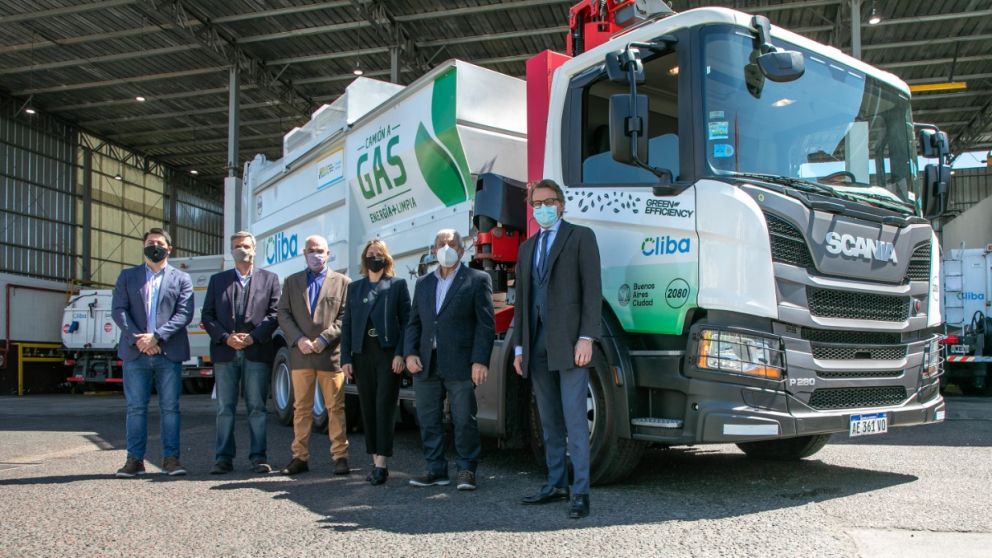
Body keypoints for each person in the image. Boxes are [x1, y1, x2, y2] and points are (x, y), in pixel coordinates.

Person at [511, 179, 602, 519]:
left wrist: (587, 337)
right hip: (535, 345)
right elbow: (522, 301)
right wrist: (519, 347)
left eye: (549, 201)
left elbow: (592, 291)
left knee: (575, 419)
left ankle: (580, 493)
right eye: (537, 203)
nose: (542, 208)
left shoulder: (580, 238)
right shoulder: (526, 248)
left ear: (561, 204)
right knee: (548, 420)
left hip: (569, 343)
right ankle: (555, 483)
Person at [405, 229, 495, 491]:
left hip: (461, 362)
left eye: (452, 243)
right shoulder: (423, 284)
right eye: (441, 244)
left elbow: (485, 324)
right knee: (428, 418)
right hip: (426, 363)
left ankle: (466, 469)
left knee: (464, 418)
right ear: (433, 250)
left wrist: (480, 360)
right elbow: (414, 323)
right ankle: (436, 469)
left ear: (461, 248)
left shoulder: (477, 279)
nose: (447, 247)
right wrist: (410, 353)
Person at [111, 227, 194, 478]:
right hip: (136, 352)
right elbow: (119, 310)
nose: (153, 246)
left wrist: (157, 337)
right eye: (149, 242)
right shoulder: (128, 276)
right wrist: (140, 339)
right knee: (136, 408)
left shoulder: (181, 279)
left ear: (169, 248)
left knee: (170, 408)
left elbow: (184, 314)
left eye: (159, 242)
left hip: (168, 352)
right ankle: (134, 460)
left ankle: (171, 459)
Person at [201, 231, 282, 475]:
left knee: (256, 407)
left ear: (255, 249)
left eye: (246, 245)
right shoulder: (218, 281)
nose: (241, 249)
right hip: (226, 352)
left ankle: (258, 457)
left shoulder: (270, 279)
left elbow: (275, 313)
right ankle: (223, 458)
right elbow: (208, 315)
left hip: (256, 350)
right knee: (225, 407)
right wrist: (227, 338)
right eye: (236, 246)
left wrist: (252, 337)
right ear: (231, 250)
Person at [277, 235, 351, 476]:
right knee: (301, 409)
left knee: (335, 408)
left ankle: (340, 456)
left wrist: (323, 339)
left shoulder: (342, 282)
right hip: (301, 355)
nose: (315, 254)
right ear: (304, 253)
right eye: (310, 250)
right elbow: (284, 314)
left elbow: (345, 316)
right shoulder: (292, 282)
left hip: (330, 356)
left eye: (319, 250)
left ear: (328, 253)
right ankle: (299, 456)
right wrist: (299, 340)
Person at [341, 239, 411, 485]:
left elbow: (407, 323)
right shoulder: (354, 288)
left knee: (384, 406)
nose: (375, 257)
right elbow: (347, 324)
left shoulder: (397, 285)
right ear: (364, 258)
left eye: (379, 253)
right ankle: (374, 460)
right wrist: (346, 357)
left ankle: (382, 463)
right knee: (367, 407)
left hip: (388, 356)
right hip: (362, 355)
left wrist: (401, 353)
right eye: (371, 253)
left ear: (386, 258)